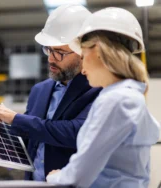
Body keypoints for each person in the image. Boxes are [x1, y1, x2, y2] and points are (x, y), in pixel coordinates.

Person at [0, 4, 102, 181]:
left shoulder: (98, 88)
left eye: (59, 52)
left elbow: (77, 132)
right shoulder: (40, 91)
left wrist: (15, 118)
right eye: (48, 50)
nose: (51, 58)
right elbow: (29, 139)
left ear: (82, 52)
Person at [46, 7, 160, 188]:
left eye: (83, 56)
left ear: (98, 50)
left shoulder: (116, 101)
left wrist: (56, 176)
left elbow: (78, 175)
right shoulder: (130, 97)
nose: (82, 69)